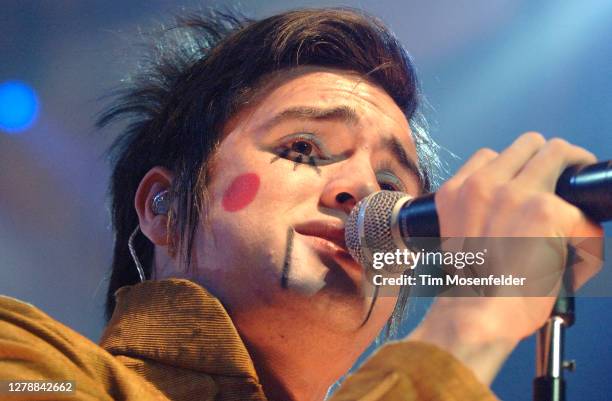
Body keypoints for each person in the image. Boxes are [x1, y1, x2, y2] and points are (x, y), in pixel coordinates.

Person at [0, 7, 603, 401]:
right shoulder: (31, 365)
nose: (363, 192)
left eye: (393, 186)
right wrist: (473, 323)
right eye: (304, 147)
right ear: (163, 205)